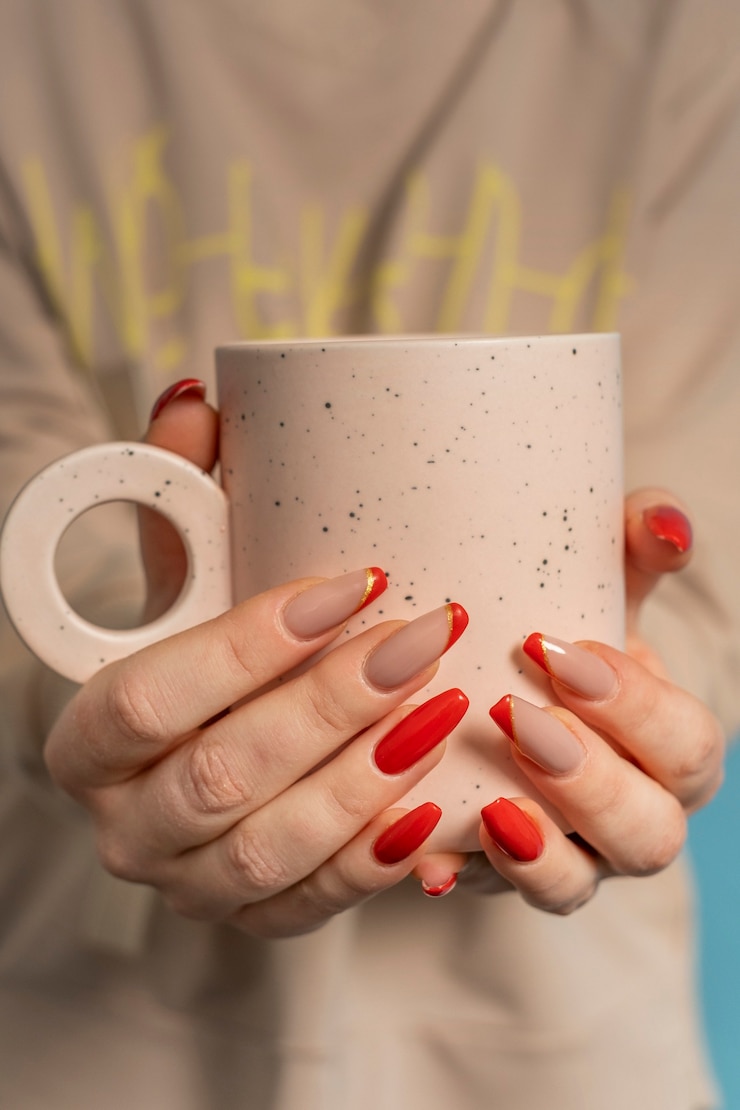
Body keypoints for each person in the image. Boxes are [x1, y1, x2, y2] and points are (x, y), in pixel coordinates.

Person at [0, 2, 737, 1107]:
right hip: (92, 1032)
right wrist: (117, 702)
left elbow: (702, 562)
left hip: (556, 1047)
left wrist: (643, 707)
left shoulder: (691, 32)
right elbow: (30, 503)